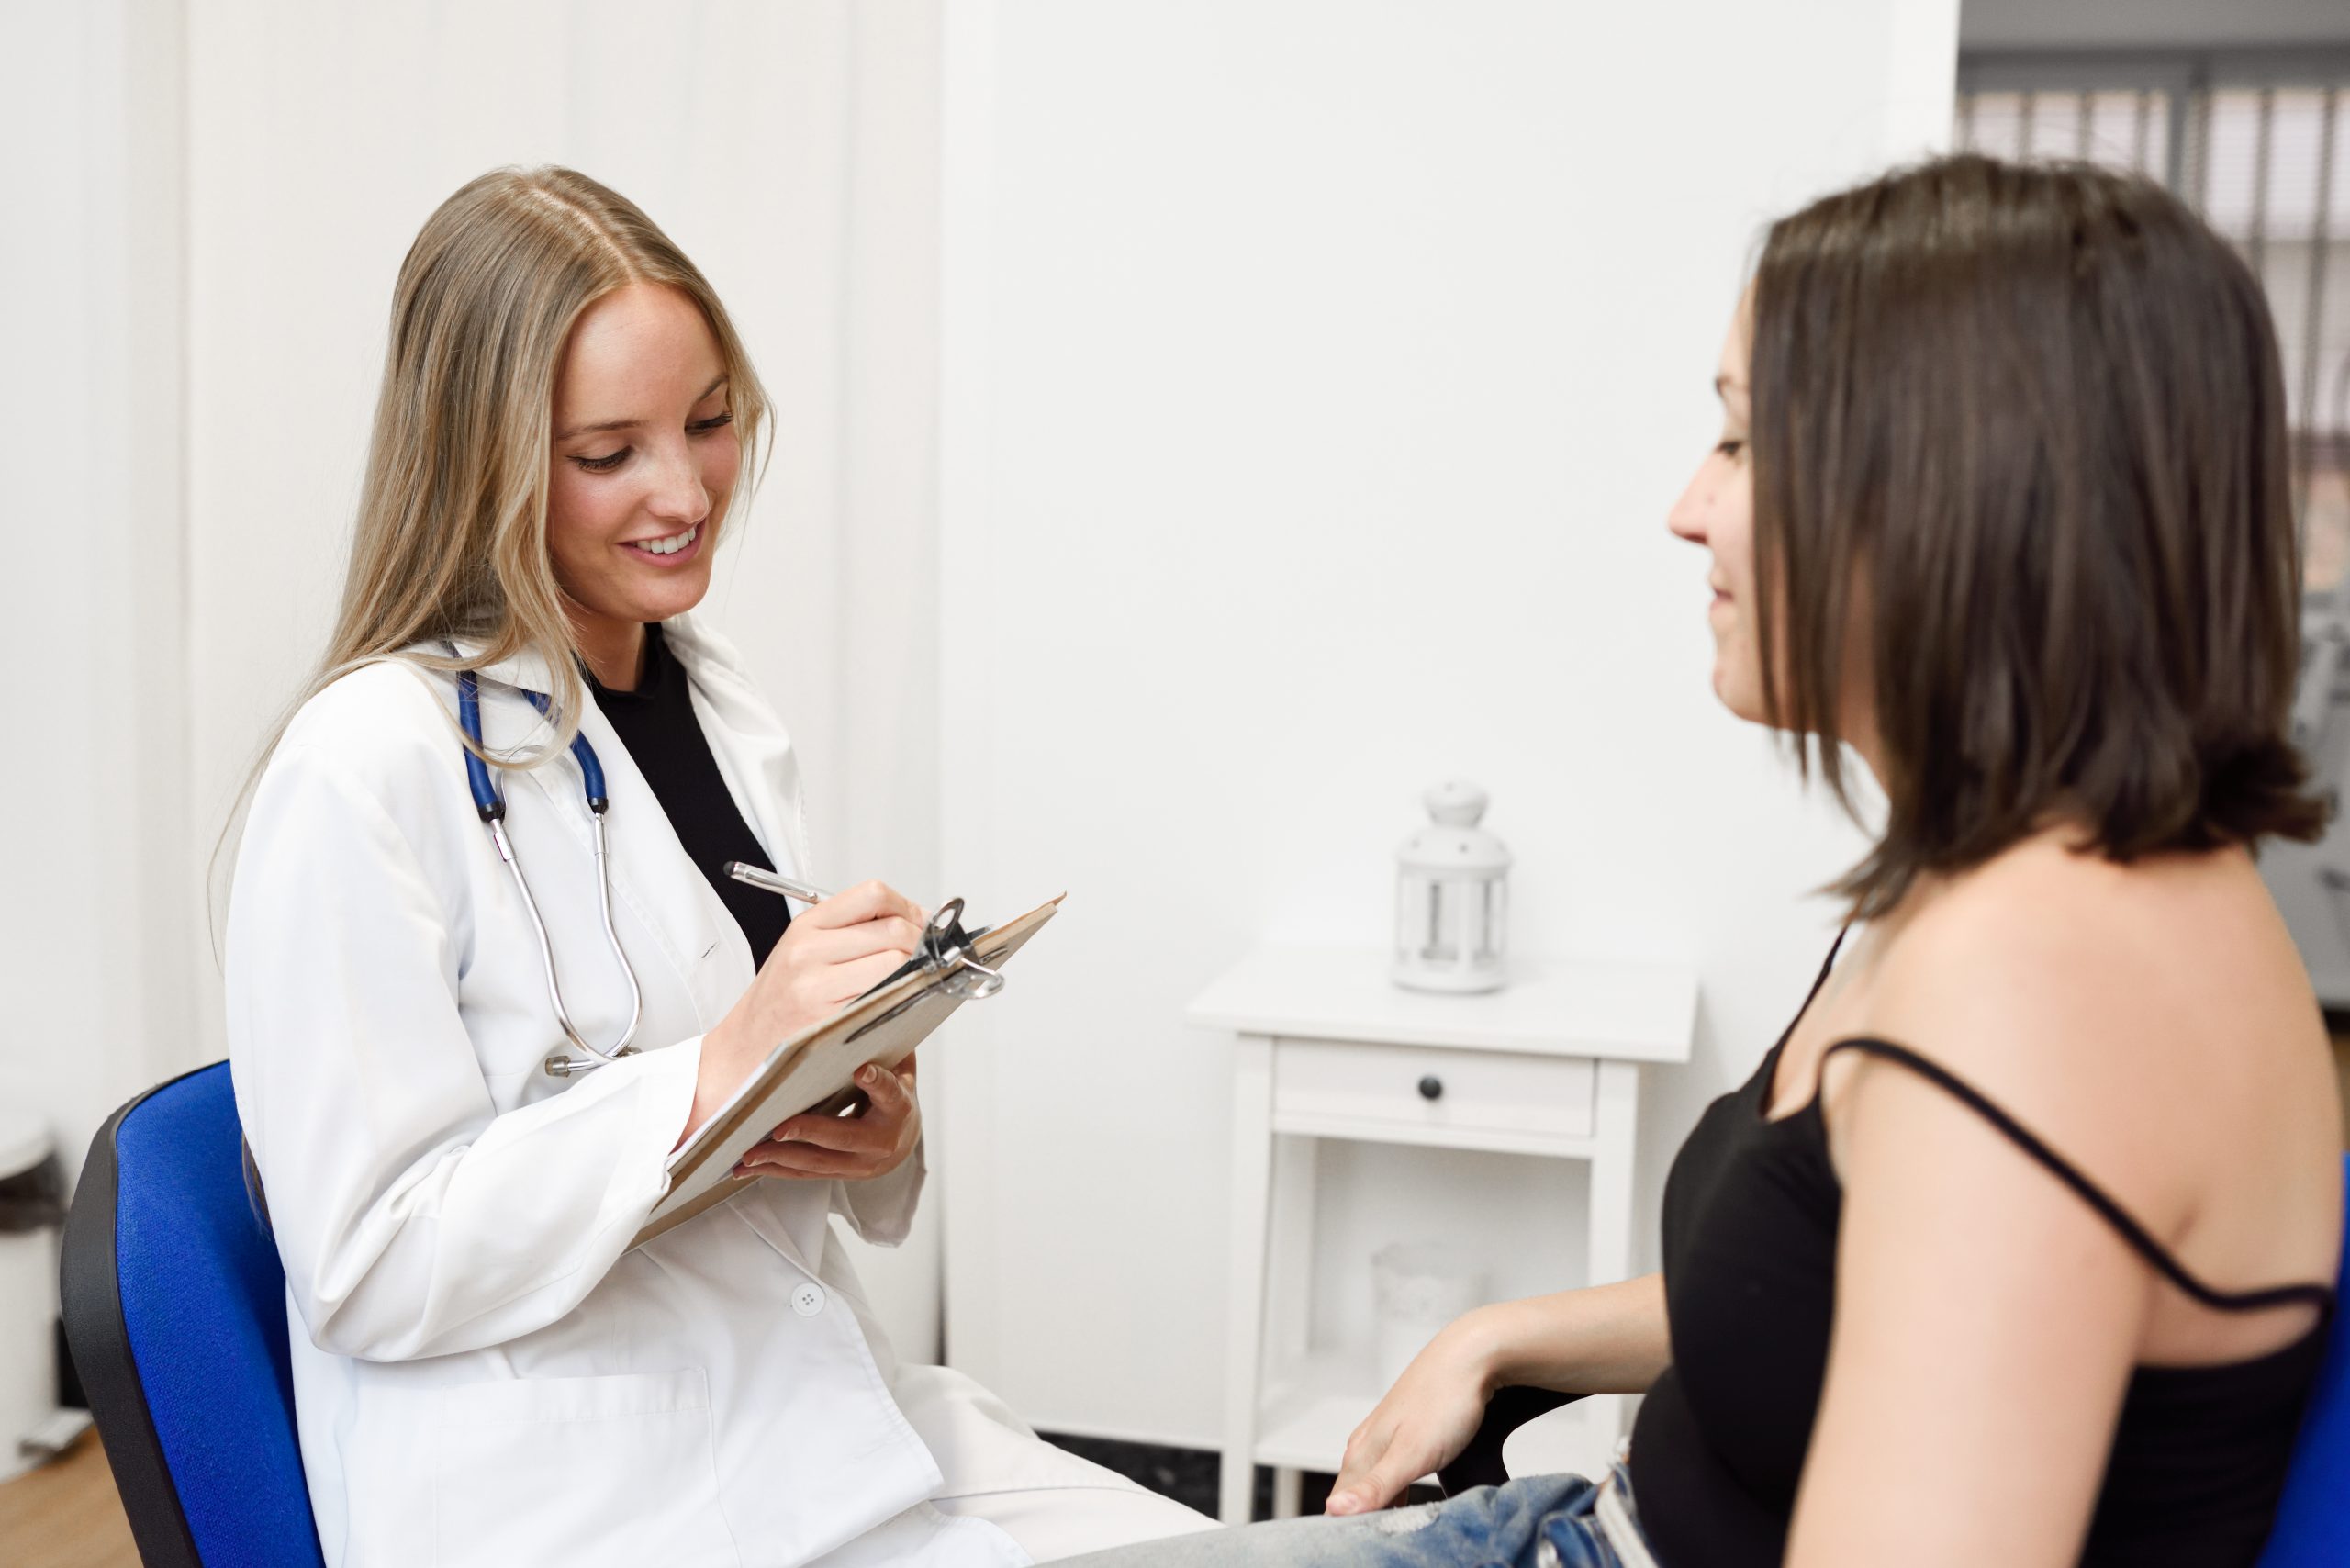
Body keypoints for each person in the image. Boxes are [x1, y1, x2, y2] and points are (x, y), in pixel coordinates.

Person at [1058, 153, 2344, 1568]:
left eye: (1740, 442)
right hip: (1582, 1522)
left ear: (1947, 485)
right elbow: (1836, 1286)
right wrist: (1507, 1332)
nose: (1688, 506)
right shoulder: (2006, 876)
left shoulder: (2043, 990)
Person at [225, 166, 1214, 1568]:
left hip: (803, 1404)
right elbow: (367, 1265)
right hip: (574, 1481)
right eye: (608, 452)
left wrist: (867, 1124)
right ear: (483, 457)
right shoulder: (363, 764)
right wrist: (722, 1065)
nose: (685, 492)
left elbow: (718, 1108)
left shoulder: (711, 691)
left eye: (708, 421)